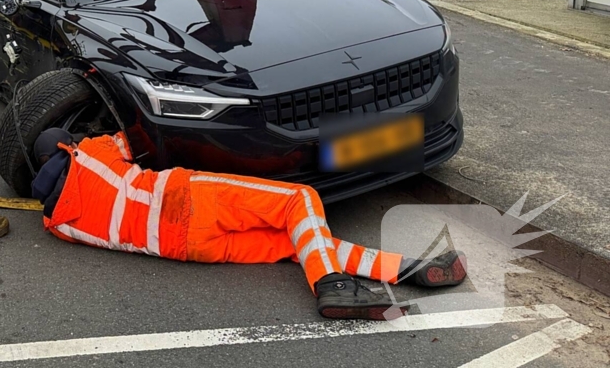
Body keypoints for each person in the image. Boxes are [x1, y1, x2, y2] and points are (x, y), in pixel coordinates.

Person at [31, 129, 466, 320]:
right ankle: (332, 286)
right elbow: (138, 136)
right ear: (64, 149)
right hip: (190, 199)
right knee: (301, 201)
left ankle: (407, 270)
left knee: (301, 242)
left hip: (186, 248)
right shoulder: (88, 153)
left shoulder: (58, 226)